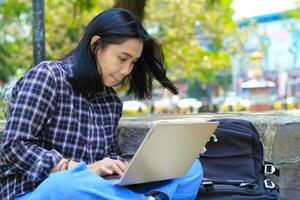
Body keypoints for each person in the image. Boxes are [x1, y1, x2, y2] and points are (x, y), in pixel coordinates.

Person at [0, 8, 203, 200]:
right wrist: (78, 169)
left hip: (96, 190)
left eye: (133, 62)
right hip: (36, 191)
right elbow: (13, 146)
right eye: (122, 58)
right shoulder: (48, 77)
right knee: (63, 184)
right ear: (96, 45)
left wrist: (132, 166)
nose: (126, 70)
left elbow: (106, 159)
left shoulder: (111, 101)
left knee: (191, 168)